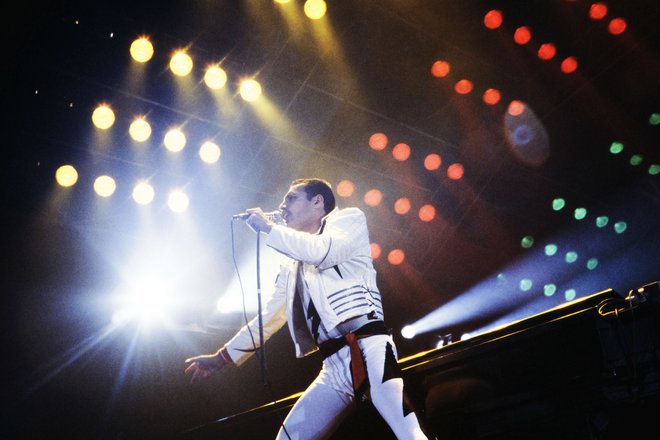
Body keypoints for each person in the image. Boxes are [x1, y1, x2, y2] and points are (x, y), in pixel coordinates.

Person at [185, 178, 429, 440]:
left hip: (370, 347)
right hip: (332, 366)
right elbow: (269, 317)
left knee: (408, 433)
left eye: (291, 198)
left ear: (317, 201)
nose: (282, 205)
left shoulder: (348, 221)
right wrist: (222, 357)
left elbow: (322, 251)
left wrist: (268, 228)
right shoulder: (292, 263)